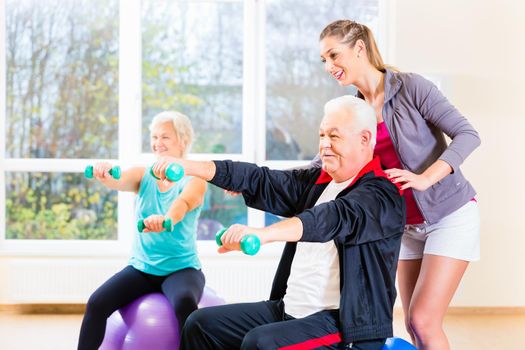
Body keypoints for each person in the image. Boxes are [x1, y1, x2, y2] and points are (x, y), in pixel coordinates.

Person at [153, 95, 406, 350]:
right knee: (200, 324)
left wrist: (263, 234)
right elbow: (259, 178)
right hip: (290, 310)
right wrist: (188, 166)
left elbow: (330, 218)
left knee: (260, 343)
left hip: (346, 326)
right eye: (321, 136)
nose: (325, 145)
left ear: (364, 139)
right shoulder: (318, 183)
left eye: (334, 136)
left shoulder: (382, 195)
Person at [318, 19, 481, 350]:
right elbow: (324, 159)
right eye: (324, 60)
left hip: (450, 215)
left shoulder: (411, 87)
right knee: (411, 323)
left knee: (424, 320)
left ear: (359, 47)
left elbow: (468, 134)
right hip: (404, 226)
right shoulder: (355, 110)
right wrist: (253, 182)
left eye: (334, 55)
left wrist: (424, 178)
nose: (329, 66)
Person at [77, 111, 207, 350]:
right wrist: (105, 173)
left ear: (183, 140)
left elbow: (184, 203)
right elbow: (120, 180)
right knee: (96, 304)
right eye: (155, 137)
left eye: (165, 137)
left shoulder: (194, 179)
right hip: (142, 268)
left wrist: (167, 219)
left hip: (182, 269)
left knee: (185, 305)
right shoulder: (143, 174)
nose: (158, 143)